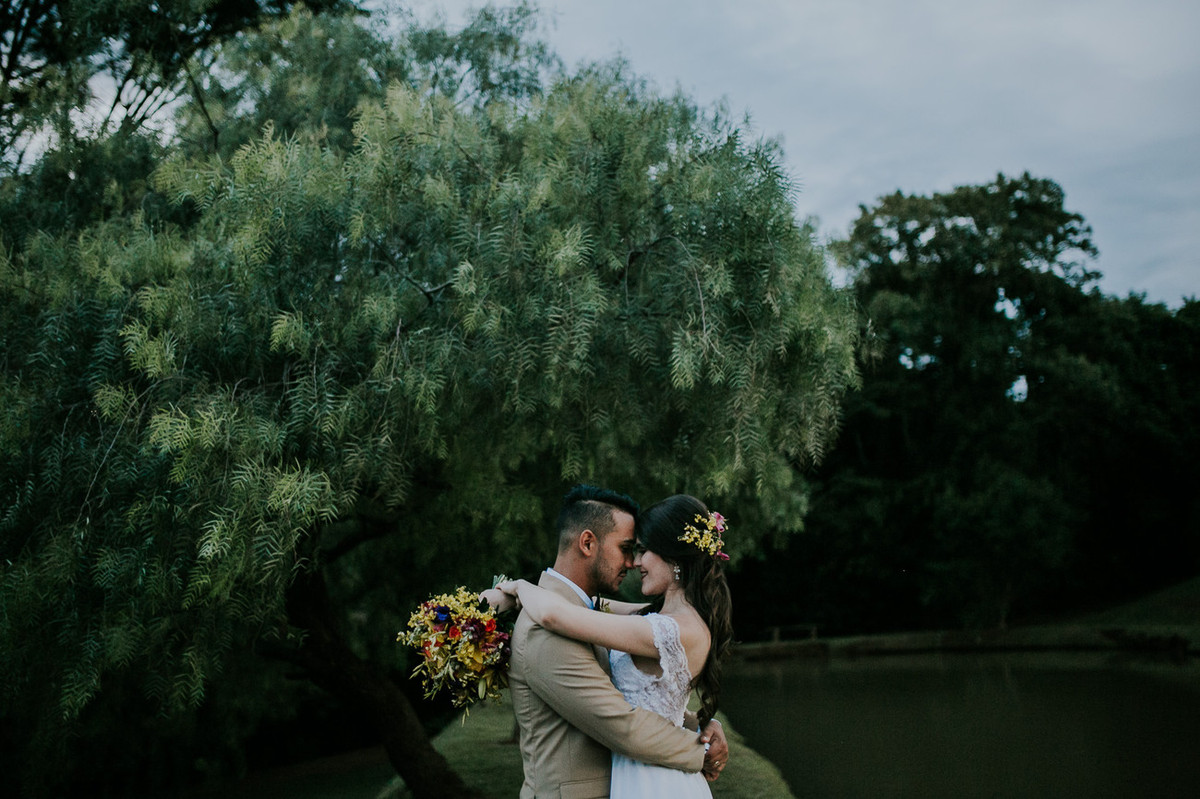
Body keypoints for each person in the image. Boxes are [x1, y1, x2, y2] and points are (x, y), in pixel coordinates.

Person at [482, 486, 728, 798]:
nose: (632, 563)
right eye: (627, 548)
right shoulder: (547, 627)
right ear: (587, 543)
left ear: (673, 557)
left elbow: (571, 613)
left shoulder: (662, 625)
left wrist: (519, 589)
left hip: (653, 782)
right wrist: (698, 746)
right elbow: (623, 725)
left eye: (640, 550)